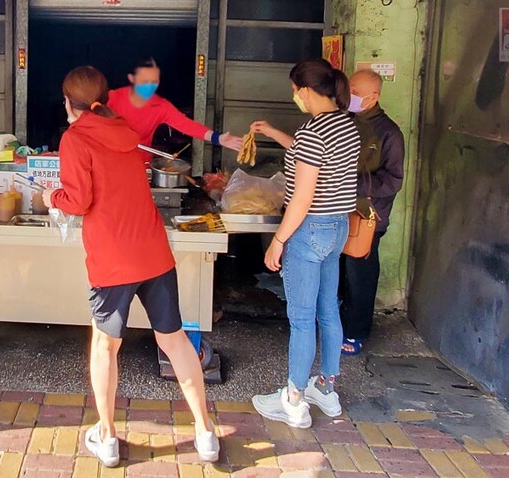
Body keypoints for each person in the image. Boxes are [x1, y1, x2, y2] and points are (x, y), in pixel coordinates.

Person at [43, 66, 219, 467]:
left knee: (106, 346)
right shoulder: (126, 132)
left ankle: (106, 438)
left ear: (69, 102)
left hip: (112, 258)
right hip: (153, 251)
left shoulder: (75, 138)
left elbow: (78, 200)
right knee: (174, 341)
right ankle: (206, 432)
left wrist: (50, 196)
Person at [249, 59, 360, 429]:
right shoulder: (345, 125)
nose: (294, 95)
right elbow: (305, 154)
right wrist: (273, 132)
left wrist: (277, 240)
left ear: (308, 91)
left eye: (295, 89)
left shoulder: (315, 132)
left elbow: (302, 197)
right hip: (337, 228)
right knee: (328, 310)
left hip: (308, 230)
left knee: (301, 319)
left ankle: (294, 399)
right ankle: (326, 389)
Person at [339, 69, 405, 356]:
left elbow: (393, 180)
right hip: (338, 210)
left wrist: (354, 184)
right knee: (339, 273)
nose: (349, 96)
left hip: (368, 217)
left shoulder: (388, 132)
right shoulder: (344, 121)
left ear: (373, 97)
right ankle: (338, 325)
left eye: (354, 91)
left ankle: (356, 332)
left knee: (360, 275)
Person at [107, 57, 242, 155]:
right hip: (109, 161)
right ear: (132, 78)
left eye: (154, 81)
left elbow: (186, 124)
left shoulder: (160, 106)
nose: (149, 86)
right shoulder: (112, 98)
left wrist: (217, 138)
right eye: (144, 81)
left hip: (140, 164)